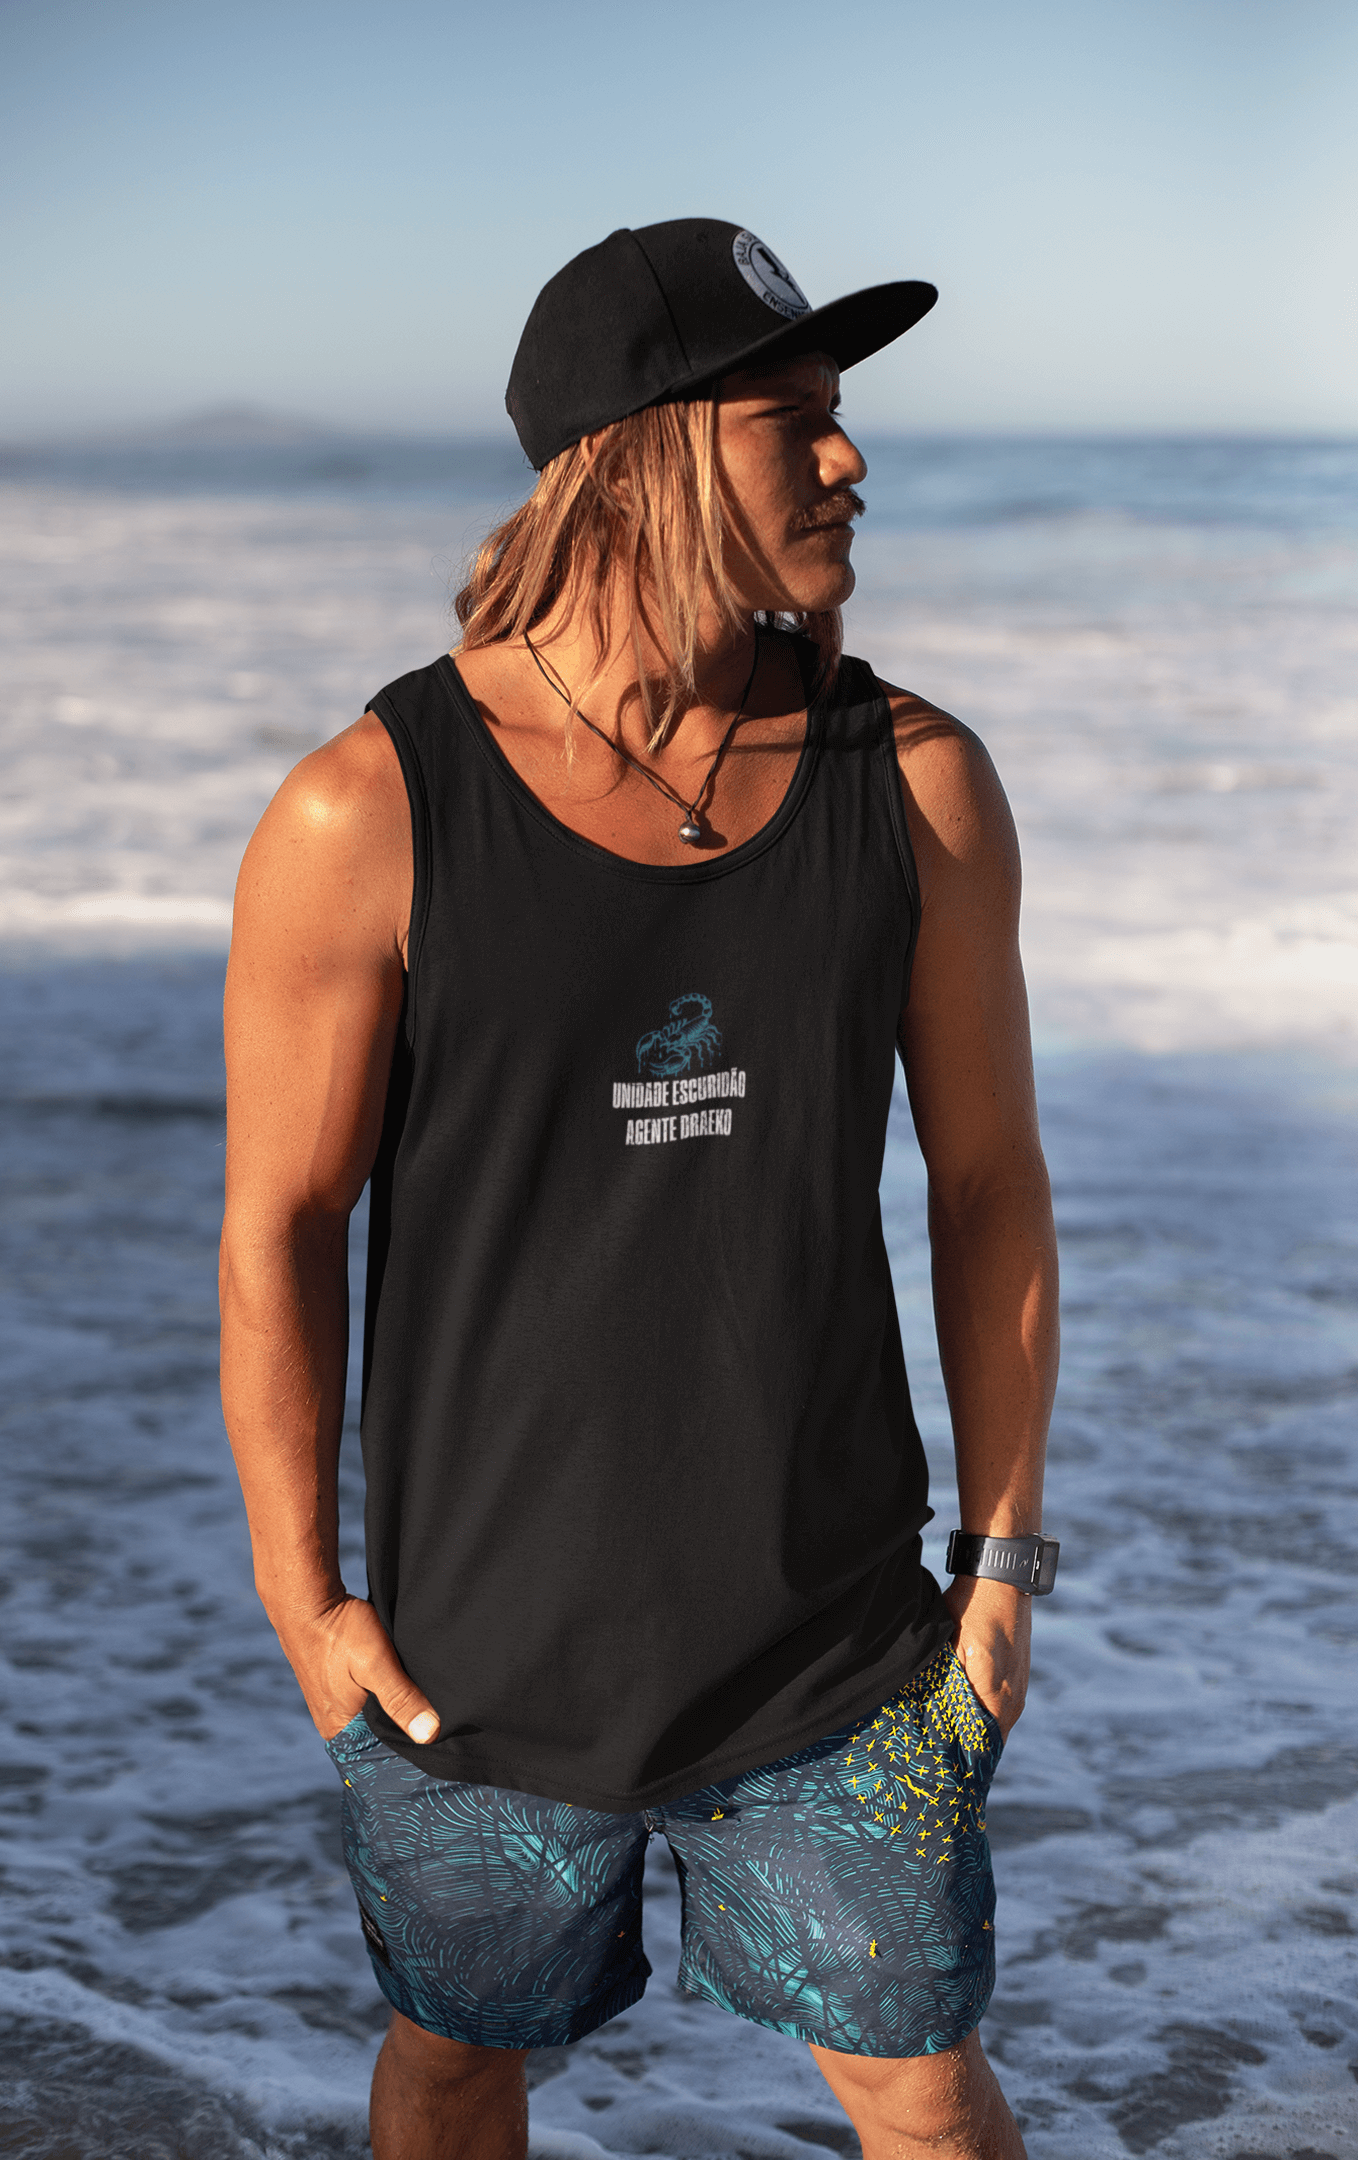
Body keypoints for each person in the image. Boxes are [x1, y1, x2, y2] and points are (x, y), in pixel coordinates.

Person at [220, 219, 1060, 2160]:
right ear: (642, 457)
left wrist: (1004, 1565)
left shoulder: (910, 782)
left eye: (843, 420)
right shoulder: (369, 810)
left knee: (925, 2100)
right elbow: (281, 1225)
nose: (852, 462)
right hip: (477, 1665)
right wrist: (306, 1605)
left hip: (836, 1639)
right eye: (796, 423)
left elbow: (993, 1181)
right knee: (453, 2069)